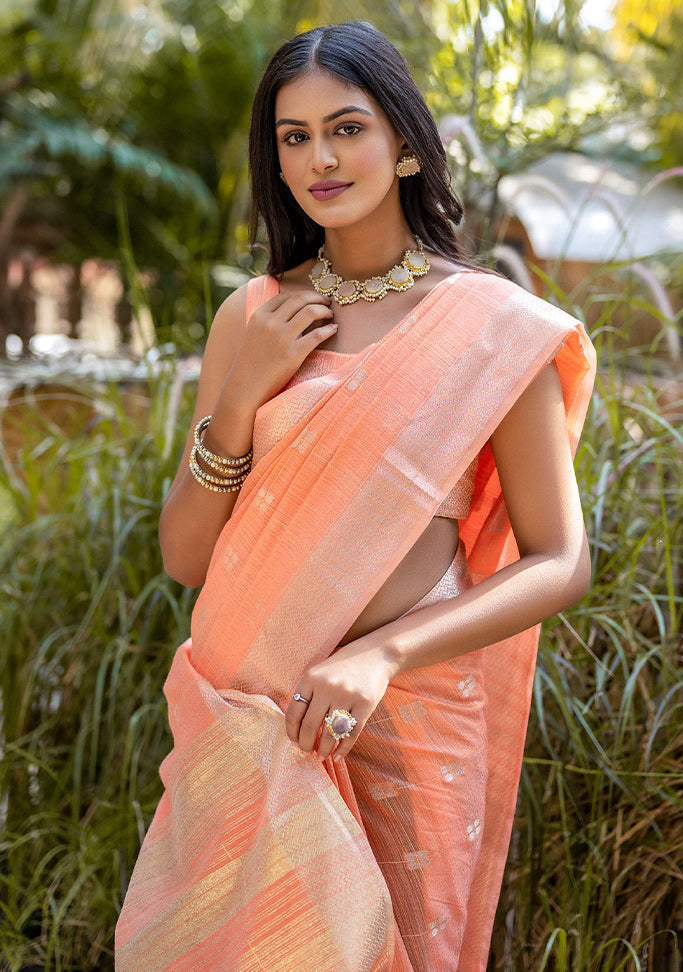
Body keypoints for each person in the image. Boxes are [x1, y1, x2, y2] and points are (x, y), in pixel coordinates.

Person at [115, 20, 595, 972]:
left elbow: (562, 559)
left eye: (347, 127)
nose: (320, 158)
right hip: (249, 713)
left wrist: (379, 656)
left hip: (405, 715)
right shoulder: (254, 316)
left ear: (407, 144)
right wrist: (245, 391)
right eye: (294, 138)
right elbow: (184, 557)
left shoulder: (495, 327)